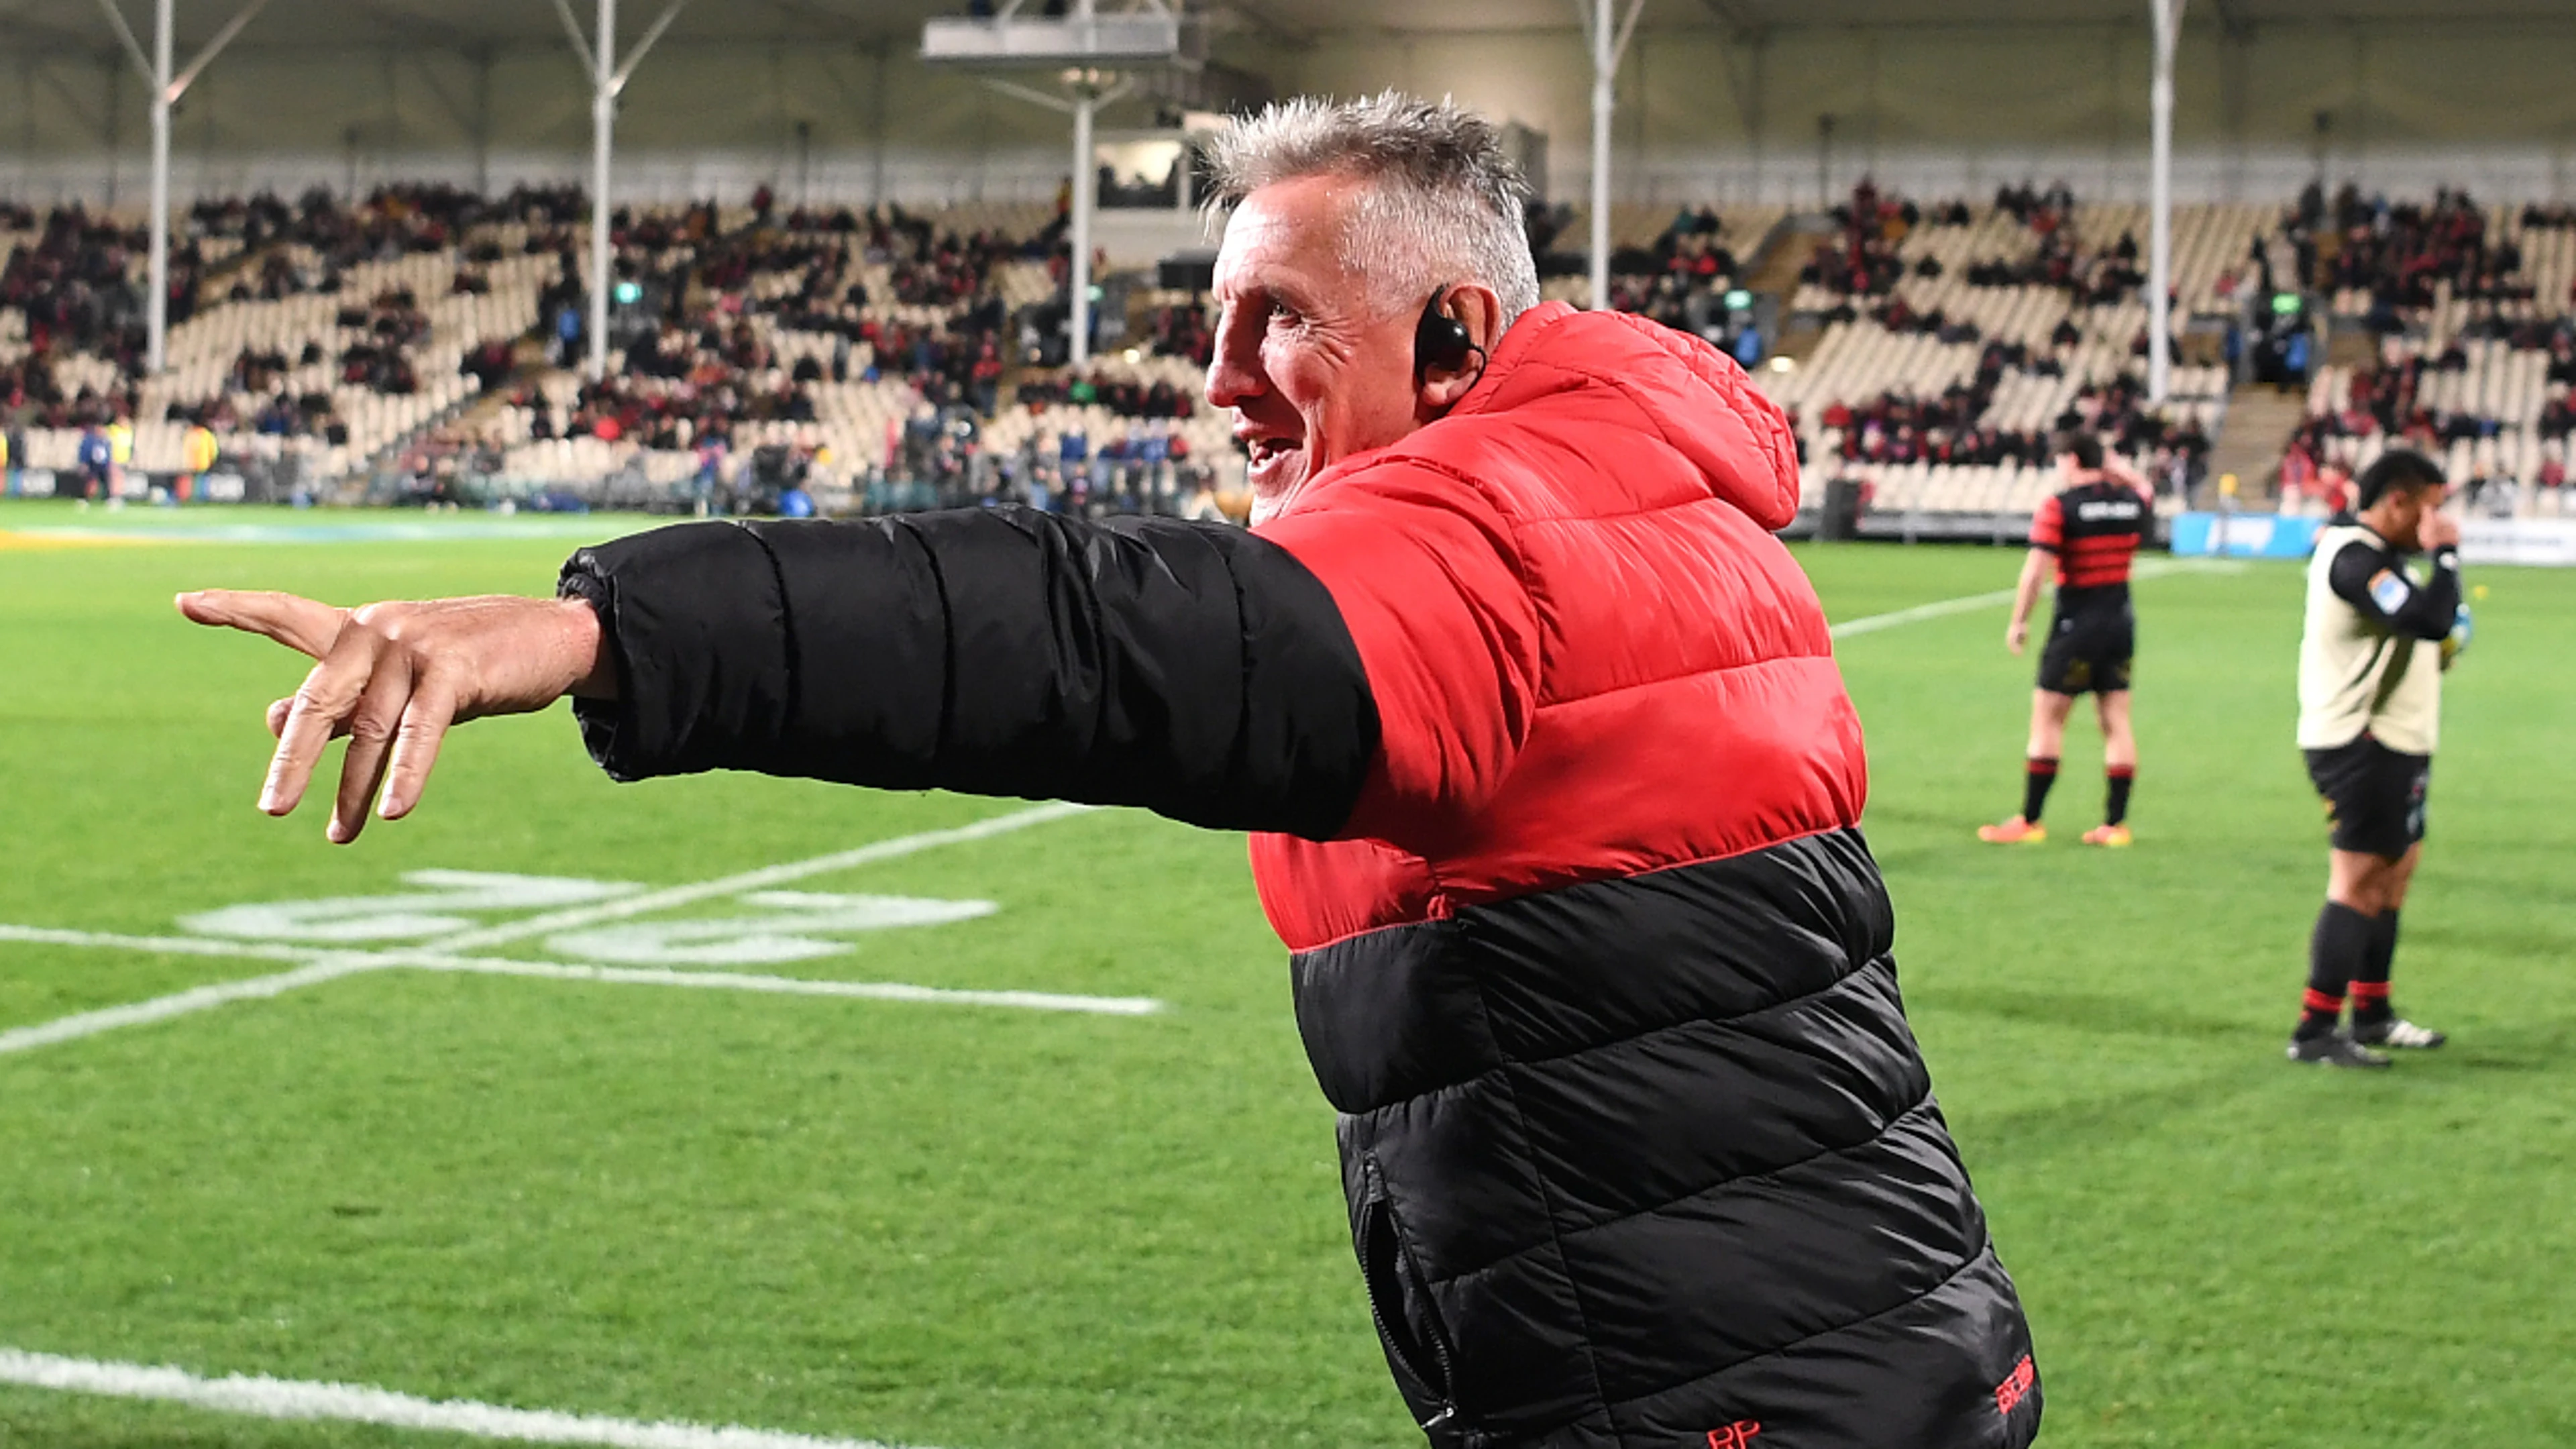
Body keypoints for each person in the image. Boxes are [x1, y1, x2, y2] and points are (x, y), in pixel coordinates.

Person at [178, 93, 2037, 1448]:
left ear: (1459, 335)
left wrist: (613, 629)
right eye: (1212, 324)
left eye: (1280, 322)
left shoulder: (1489, 530)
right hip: (1875, 1339)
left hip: (1726, 1404)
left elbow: (1101, 641)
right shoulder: (1634, 489)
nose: (1219, 383)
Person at [2288, 449, 2464, 1069]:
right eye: (2430, 509)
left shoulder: (2382, 558)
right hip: (2361, 744)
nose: (2437, 522)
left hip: (2398, 743)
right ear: (2398, 501)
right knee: (2359, 881)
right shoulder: (2353, 558)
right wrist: (2446, 556)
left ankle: (2374, 1013)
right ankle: (2315, 1031)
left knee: (2394, 876)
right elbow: (2427, 617)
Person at [1980, 429, 2151, 847]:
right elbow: (2146, 491)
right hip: (2120, 624)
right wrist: (2120, 472)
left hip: (2076, 627)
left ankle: (2030, 820)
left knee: (2048, 720)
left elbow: (2036, 570)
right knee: (2116, 721)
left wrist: (2019, 621)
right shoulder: (2130, 503)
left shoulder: (2059, 507)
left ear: (2071, 460)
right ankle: (2115, 825)